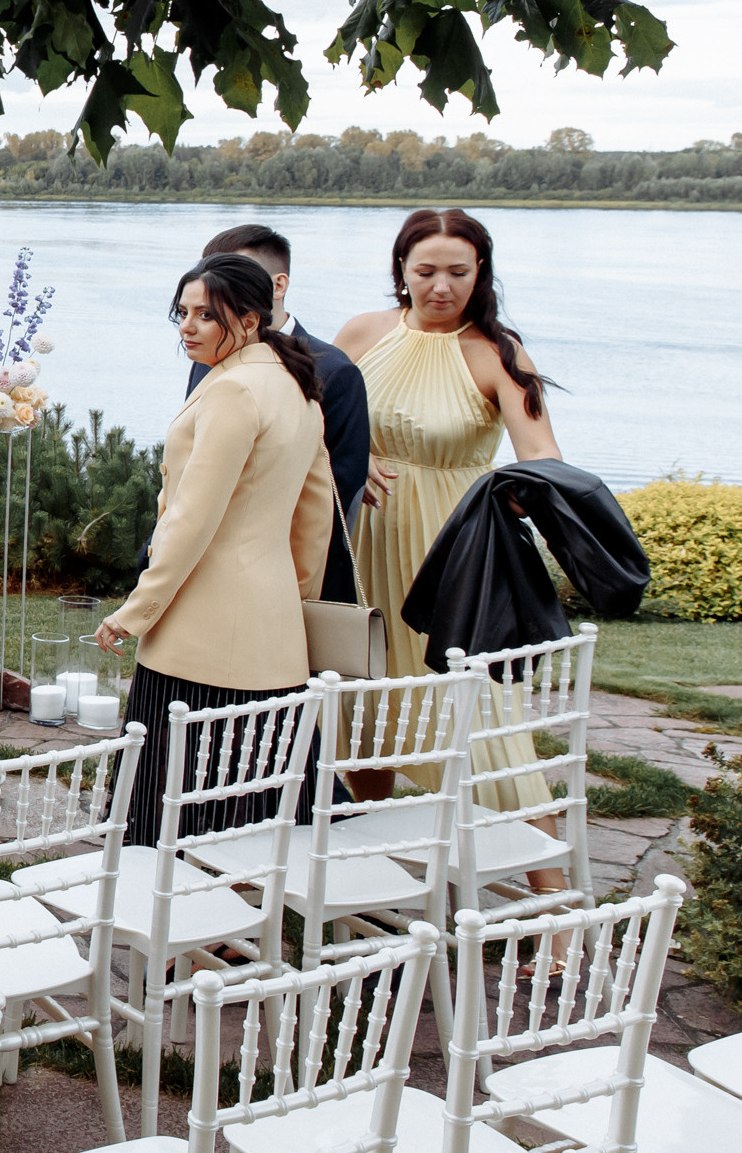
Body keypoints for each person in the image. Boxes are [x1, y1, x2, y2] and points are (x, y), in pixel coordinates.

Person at [333, 208, 566, 828]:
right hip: (366, 545)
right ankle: (370, 851)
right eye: (426, 271)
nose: (442, 286)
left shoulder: (497, 352)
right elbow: (309, 423)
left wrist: (500, 498)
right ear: (401, 270)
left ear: (480, 272)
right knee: (367, 709)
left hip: (456, 553)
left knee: (483, 722)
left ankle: (557, 901)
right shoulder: (361, 333)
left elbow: (543, 460)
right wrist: (355, 458)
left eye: (458, 272)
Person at [95, 253, 334, 846]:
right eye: (182, 312)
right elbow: (316, 513)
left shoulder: (233, 391)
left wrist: (136, 612)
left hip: (200, 629)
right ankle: (233, 918)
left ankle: (178, 923)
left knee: (174, 800)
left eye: (206, 314)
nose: (188, 326)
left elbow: (190, 521)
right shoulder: (296, 387)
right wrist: (295, 600)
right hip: (273, 628)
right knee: (250, 793)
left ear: (250, 320)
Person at [186, 225, 369, 604]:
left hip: (284, 573)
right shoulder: (206, 357)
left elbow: (333, 496)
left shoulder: (334, 371)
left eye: (239, 275)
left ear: (278, 285)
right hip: (199, 555)